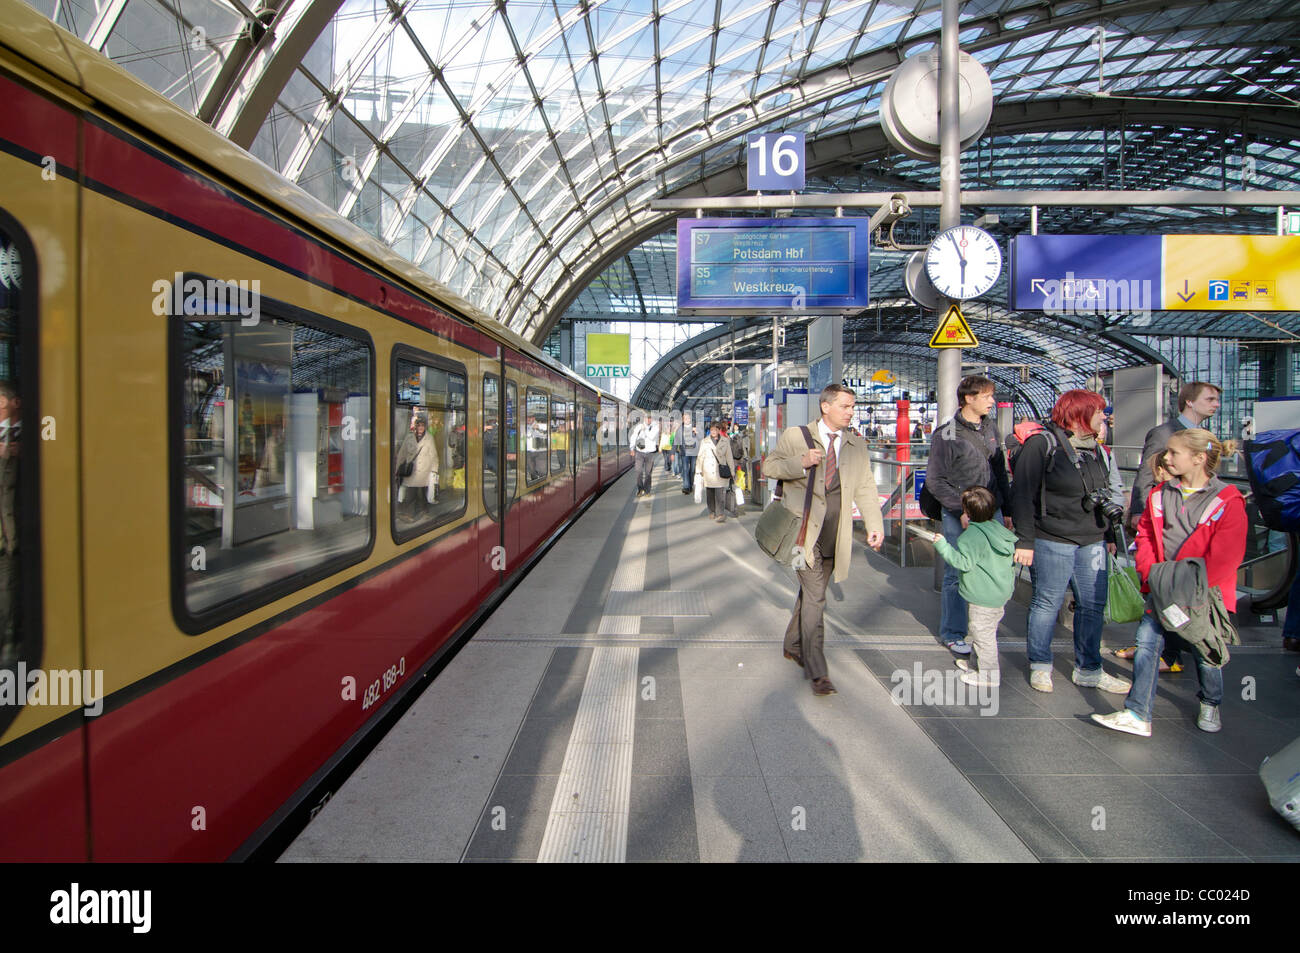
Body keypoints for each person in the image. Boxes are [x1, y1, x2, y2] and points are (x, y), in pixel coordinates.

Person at [1092, 430, 1246, 736]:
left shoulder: (1228, 499)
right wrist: (1150, 574)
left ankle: (1210, 702)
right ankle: (1138, 713)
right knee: (1147, 645)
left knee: (1205, 652)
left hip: (1204, 594)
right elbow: (1146, 535)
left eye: (1174, 452)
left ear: (1199, 458)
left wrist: (1189, 588)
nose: (1166, 458)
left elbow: (1228, 554)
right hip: (1162, 587)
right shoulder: (1159, 493)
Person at [764, 385, 885, 696]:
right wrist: (800, 463)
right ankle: (817, 669)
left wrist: (875, 524)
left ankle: (792, 644)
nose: (851, 411)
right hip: (801, 535)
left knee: (810, 595)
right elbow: (769, 466)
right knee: (817, 596)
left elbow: (866, 487)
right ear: (825, 407)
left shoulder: (856, 444)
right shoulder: (796, 436)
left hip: (835, 535)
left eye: (852, 406)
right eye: (845, 406)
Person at [1012, 389, 1131, 695]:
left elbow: (1103, 495)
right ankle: (1040, 664)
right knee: (1047, 602)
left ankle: (1089, 668)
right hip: (1053, 537)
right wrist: (1025, 540)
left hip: (1092, 539)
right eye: (1099, 410)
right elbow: (1022, 495)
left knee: (1092, 605)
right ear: (1080, 413)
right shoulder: (1043, 444)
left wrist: (1108, 536)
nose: (1104, 416)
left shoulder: (1098, 451)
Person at [927, 376, 1014, 657]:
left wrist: (1008, 509)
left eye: (992, 396)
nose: (992, 400)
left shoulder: (991, 428)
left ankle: (984, 629)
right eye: (986, 396)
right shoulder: (947, 434)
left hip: (992, 511)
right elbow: (936, 480)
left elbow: (999, 471)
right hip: (959, 513)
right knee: (956, 572)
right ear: (968, 399)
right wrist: (959, 509)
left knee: (993, 566)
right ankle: (953, 632)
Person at [930, 486, 1016, 686]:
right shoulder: (999, 531)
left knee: (982, 634)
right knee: (984, 632)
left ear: (967, 512)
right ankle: (977, 664)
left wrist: (943, 546)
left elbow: (963, 563)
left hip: (982, 596)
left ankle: (988, 675)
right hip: (999, 593)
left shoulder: (971, 536)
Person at [1126, 381, 1222, 534]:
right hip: (1168, 513)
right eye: (1210, 399)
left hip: (1196, 512)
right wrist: (1139, 511)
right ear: (1189, 402)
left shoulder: (1204, 435)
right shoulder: (1163, 433)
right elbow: (1146, 472)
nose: (1217, 404)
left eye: (1217, 400)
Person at [394, 412, 436, 521]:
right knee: (410, 493)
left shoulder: (429, 438)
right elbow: (402, 454)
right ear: (416, 426)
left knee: (422, 493)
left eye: (422, 425)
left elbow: (434, 456)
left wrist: (434, 471)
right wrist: (397, 468)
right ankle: (409, 514)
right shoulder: (409, 438)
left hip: (424, 471)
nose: (421, 427)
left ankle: (424, 511)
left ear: (425, 427)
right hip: (411, 470)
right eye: (419, 425)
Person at [698, 422, 736, 523]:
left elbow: (729, 456)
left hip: (720, 471)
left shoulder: (725, 441)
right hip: (708, 471)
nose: (713, 432)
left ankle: (720, 513)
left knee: (720, 493)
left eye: (715, 430)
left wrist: (732, 470)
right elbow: (700, 457)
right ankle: (711, 510)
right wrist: (699, 470)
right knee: (710, 493)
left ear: (719, 430)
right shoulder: (704, 442)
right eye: (711, 430)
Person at [629, 412, 659, 498]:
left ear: (652, 419)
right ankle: (640, 488)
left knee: (648, 473)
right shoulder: (639, 427)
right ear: (644, 419)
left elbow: (651, 437)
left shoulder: (655, 427)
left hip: (650, 453)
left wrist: (644, 429)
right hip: (639, 452)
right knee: (638, 471)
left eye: (650, 418)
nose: (648, 420)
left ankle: (647, 490)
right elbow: (633, 437)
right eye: (646, 418)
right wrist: (631, 448)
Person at [679, 411, 700, 495]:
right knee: (685, 469)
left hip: (694, 452)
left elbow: (702, 438)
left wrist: (697, 433)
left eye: (688, 418)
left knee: (692, 470)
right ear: (683, 420)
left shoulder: (695, 428)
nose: (687, 420)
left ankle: (690, 485)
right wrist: (672, 453)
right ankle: (686, 486)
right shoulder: (680, 429)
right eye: (685, 418)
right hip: (685, 452)